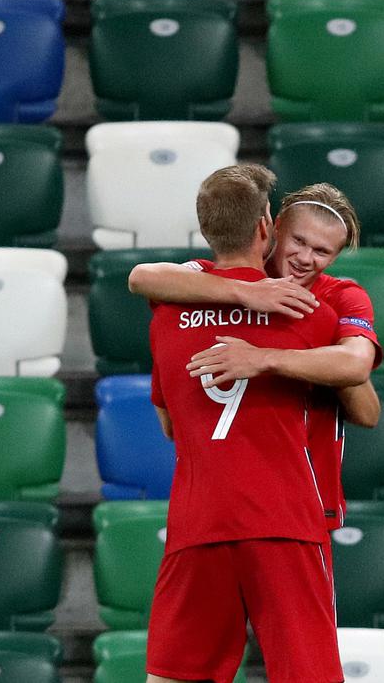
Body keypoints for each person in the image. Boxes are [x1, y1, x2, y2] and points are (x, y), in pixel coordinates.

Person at [145, 165, 346, 683]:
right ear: (266, 228)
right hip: (283, 520)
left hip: (198, 521)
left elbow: (168, 420)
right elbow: (362, 400)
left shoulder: (167, 311)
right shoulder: (308, 311)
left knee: (175, 676)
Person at [129, 182, 382, 533]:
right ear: (274, 226)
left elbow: (364, 398)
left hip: (306, 498)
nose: (306, 258)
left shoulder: (341, 298)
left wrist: (268, 356)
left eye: (322, 251)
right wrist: (247, 292)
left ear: (336, 257)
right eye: (299, 241)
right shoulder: (215, 279)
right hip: (220, 501)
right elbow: (141, 278)